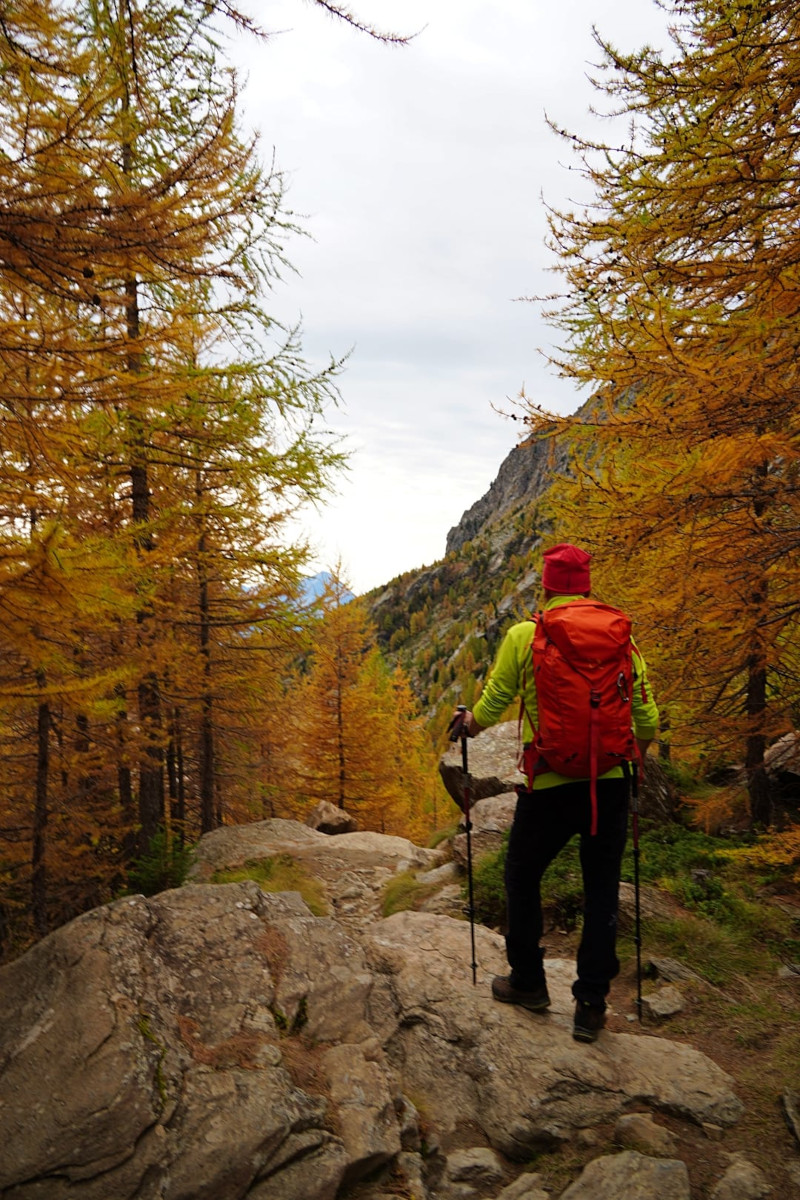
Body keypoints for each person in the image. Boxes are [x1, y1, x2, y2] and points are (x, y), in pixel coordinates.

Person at [454, 542, 659, 1043]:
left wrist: (469, 726)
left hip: (547, 784)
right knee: (602, 889)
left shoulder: (528, 633)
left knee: (522, 876)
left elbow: (497, 699)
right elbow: (647, 715)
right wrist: (638, 756)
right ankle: (590, 1005)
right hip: (608, 786)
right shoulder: (621, 639)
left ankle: (528, 982)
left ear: (546, 586)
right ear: (587, 585)